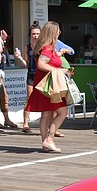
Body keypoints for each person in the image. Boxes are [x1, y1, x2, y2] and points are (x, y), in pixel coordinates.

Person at [24, 21, 69, 153]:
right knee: (62, 112)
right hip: (49, 86)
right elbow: (41, 65)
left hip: (45, 85)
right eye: (58, 30)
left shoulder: (46, 48)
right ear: (53, 33)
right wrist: (58, 71)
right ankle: (49, 139)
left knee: (46, 114)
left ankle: (46, 143)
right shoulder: (47, 48)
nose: (59, 32)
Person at [13, 20, 41, 133]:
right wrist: (19, 58)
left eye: (37, 34)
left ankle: (46, 123)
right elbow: (27, 64)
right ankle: (25, 123)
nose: (35, 36)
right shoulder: (27, 47)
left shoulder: (43, 47)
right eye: (33, 34)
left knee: (44, 98)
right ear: (30, 35)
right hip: (31, 74)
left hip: (41, 75)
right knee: (29, 98)